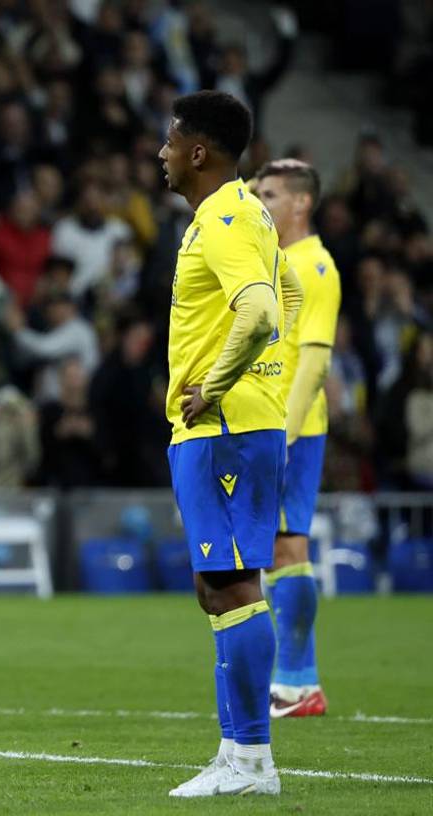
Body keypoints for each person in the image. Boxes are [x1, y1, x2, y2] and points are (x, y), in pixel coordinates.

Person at [158, 90, 303, 797]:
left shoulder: (222, 218)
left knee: (232, 583)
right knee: (216, 588)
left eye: (168, 140)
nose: (159, 152)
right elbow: (291, 293)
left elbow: (263, 309)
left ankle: (252, 763)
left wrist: (217, 386)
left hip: (224, 426)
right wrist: (274, 376)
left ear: (197, 151)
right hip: (234, 422)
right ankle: (234, 752)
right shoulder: (245, 214)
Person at [254, 159, 341, 719]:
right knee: (278, 551)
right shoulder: (280, 260)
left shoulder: (315, 266)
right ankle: (296, 682)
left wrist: (285, 433)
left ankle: (296, 681)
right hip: (271, 421)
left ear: (301, 203)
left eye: (271, 193)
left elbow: (314, 360)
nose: (262, 202)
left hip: (295, 427)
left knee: (289, 545)